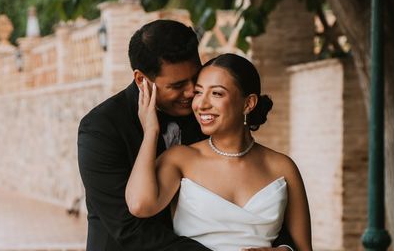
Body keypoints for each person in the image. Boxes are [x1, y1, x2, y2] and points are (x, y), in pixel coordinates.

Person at [78, 20, 296, 250]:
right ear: (142, 80)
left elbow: (257, 199)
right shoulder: (100, 128)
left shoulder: (206, 113)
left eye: (196, 77)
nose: (192, 92)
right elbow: (131, 229)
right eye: (178, 85)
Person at [126, 53, 312, 251]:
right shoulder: (180, 159)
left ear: (248, 103)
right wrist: (151, 131)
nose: (201, 104)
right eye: (199, 92)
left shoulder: (283, 167)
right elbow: (140, 205)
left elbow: (304, 248)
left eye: (217, 93)